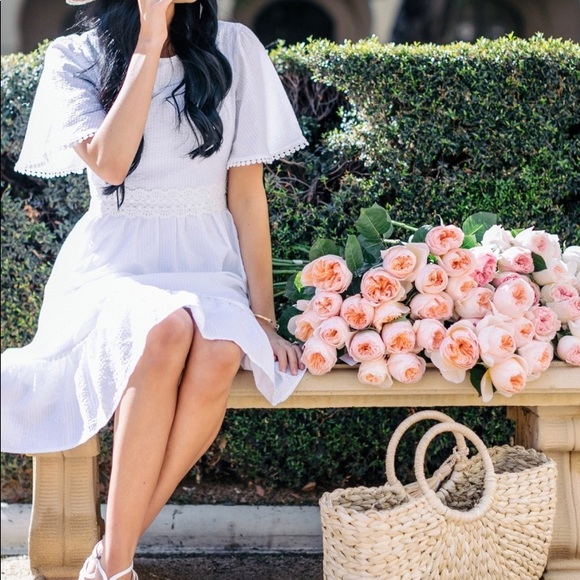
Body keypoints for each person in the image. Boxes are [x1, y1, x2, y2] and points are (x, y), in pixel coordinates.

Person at [1, 0, 309, 578]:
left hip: (208, 264)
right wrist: (148, 37)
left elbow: (246, 197)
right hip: (115, 269)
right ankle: (117, 568)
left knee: (221, 346)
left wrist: (263, 319)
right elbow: (111, 165)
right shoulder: (76, 57)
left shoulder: (235, 48)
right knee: (165, 328)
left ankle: (110, 560)